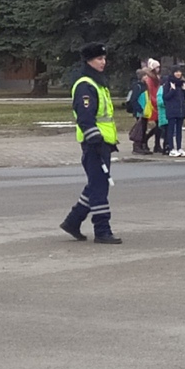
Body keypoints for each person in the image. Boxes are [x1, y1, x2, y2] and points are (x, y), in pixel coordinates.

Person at [59, 42, 122, 244]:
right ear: (89, 61)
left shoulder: (98, 82)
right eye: (99, 59)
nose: (103, 62)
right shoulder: (86, 84)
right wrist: (93, 137)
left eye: (104, 58)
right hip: (94, 142)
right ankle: (102, 229)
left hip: (103, 142)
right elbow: (85, 115)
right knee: (99, 187)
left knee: (96, 184)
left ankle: (73, 221)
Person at [161, 64, 185, 157]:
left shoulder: (182, 83)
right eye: (176, 72)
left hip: (180, 110)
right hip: (171, 110)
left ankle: (179, 148)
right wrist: (172, 90)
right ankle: (171, 148)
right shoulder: (168, 83)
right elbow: (165, 97)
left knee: (179, 130)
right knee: (171, 130)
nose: (178, 74)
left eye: (179, 72)